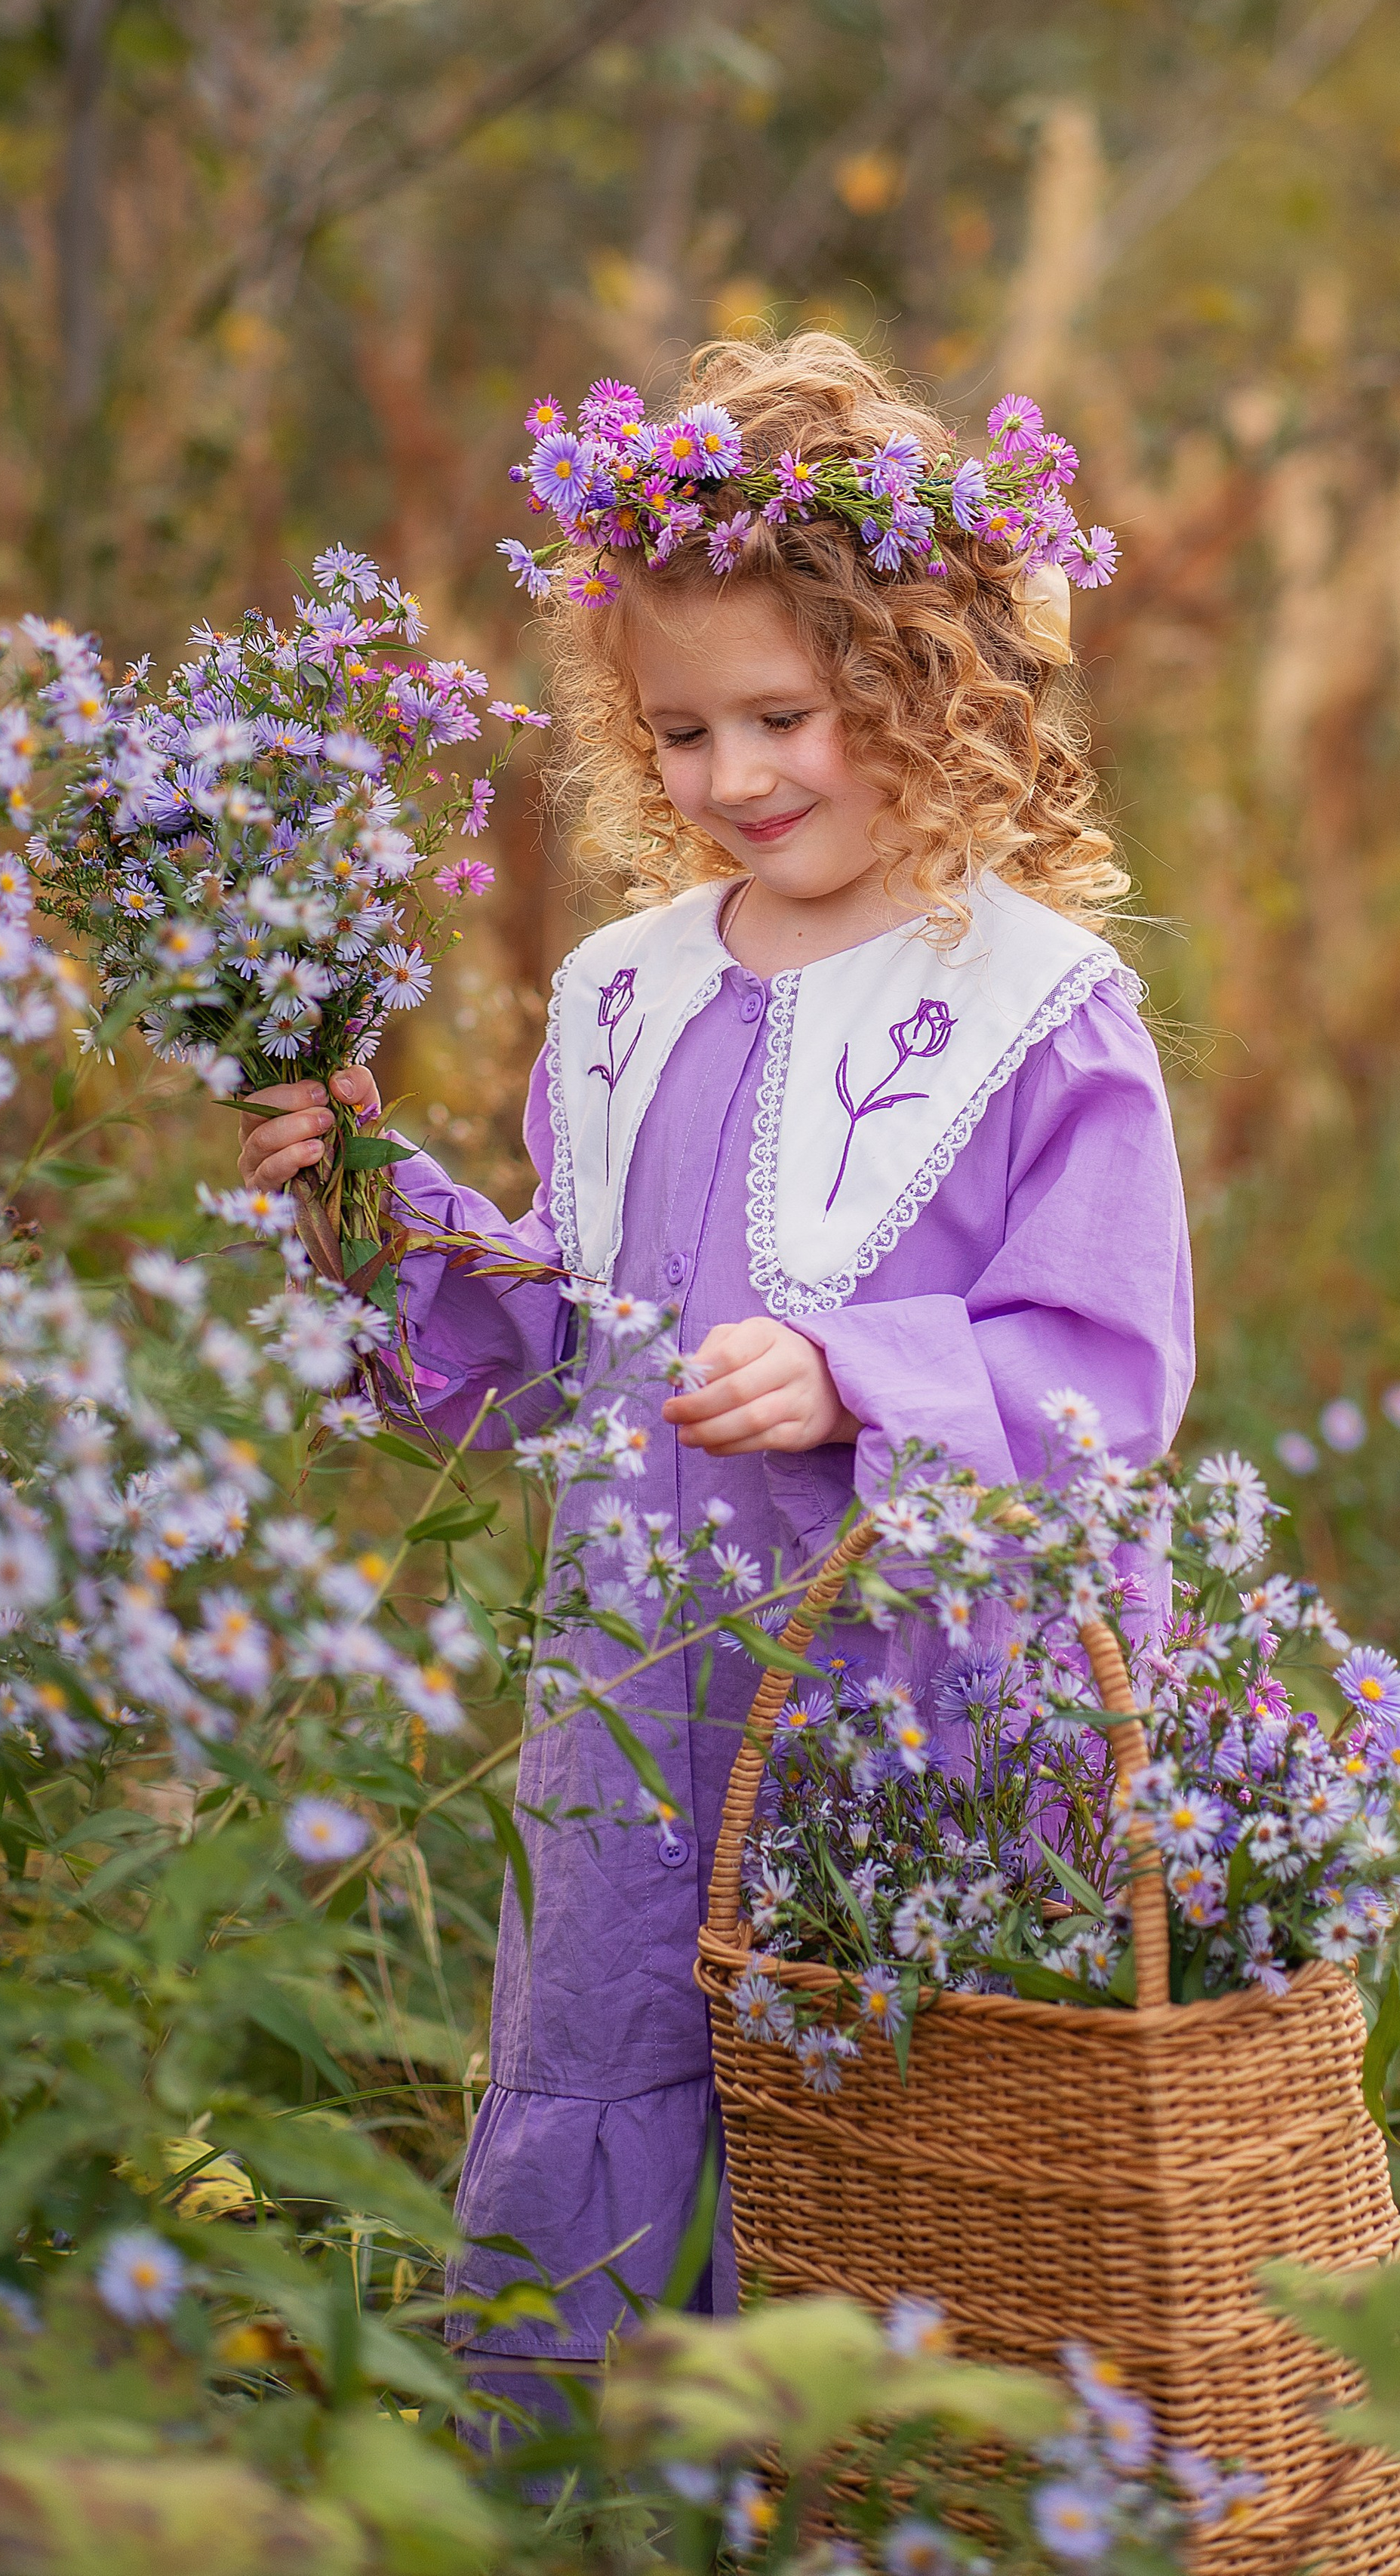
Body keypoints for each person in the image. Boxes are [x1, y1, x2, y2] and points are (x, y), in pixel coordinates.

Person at [235, 330, 1193, 2420]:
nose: (742, 776)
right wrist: (375, 1211)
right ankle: (606, 2467)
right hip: (638, 1679)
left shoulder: (1031, 1005)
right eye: (683, 731)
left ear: (932, 687)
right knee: (614, 2023)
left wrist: (862, 1377)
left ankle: (890, 2477)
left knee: (879, 2082)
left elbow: (1106, 1368)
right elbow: (556, 1351)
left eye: (794, 715)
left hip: (894, 1682)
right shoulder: (627, 994)